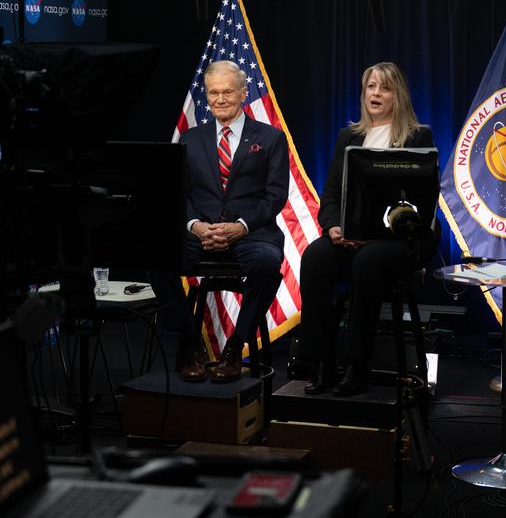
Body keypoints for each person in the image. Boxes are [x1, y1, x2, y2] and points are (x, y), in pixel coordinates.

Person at [296, 62, 437, 397]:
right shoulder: (348, 137)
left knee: (367, 260)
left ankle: (357, 365)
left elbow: (424, 198)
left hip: (402, 239)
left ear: (398, 95)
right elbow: (331, 195)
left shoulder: (418, 136)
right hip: (351, 236)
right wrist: (333, 226)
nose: (376, 94)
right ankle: (320, 362)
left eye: (384, 88)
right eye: (371, 87)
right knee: (315, 256)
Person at [176, 60, 288, 382]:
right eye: (213, 93)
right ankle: (191, 344)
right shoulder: (190, 139)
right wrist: (195, 225)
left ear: (243, 93)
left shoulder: (270, 138)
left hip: (251, 233)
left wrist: (240, 227)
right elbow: (179, 193)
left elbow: (275, 196)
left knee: (267, 264)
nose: (220, 99)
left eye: (227, 91)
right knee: (157, 261)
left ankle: (236, 347)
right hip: (200, 232)